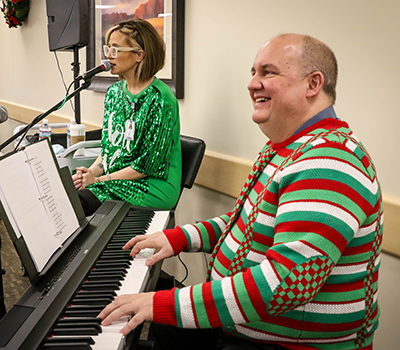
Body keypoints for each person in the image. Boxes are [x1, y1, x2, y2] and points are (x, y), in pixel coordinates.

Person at [98, 33, 383, 350]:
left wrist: (161, 303)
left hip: (288, 344)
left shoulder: (329, 163)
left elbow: (283, 284)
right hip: (243, 324)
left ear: (313, 84)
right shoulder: (289, 148)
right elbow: (242, 222)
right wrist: (177, 238)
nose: (252, 84)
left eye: (268, 72)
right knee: (158, 333)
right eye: (253, 73)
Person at [72, 19, 182, 216]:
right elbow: (109, 150)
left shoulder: (161, 98)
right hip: (115, 180)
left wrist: (98, 181)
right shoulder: (114, 92)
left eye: (115, 49)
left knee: (79, 203)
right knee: (69, 191)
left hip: (150, 186)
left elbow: (146, 166)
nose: (108, 55)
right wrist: (90, 173)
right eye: (108, 48)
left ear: (139, 55)